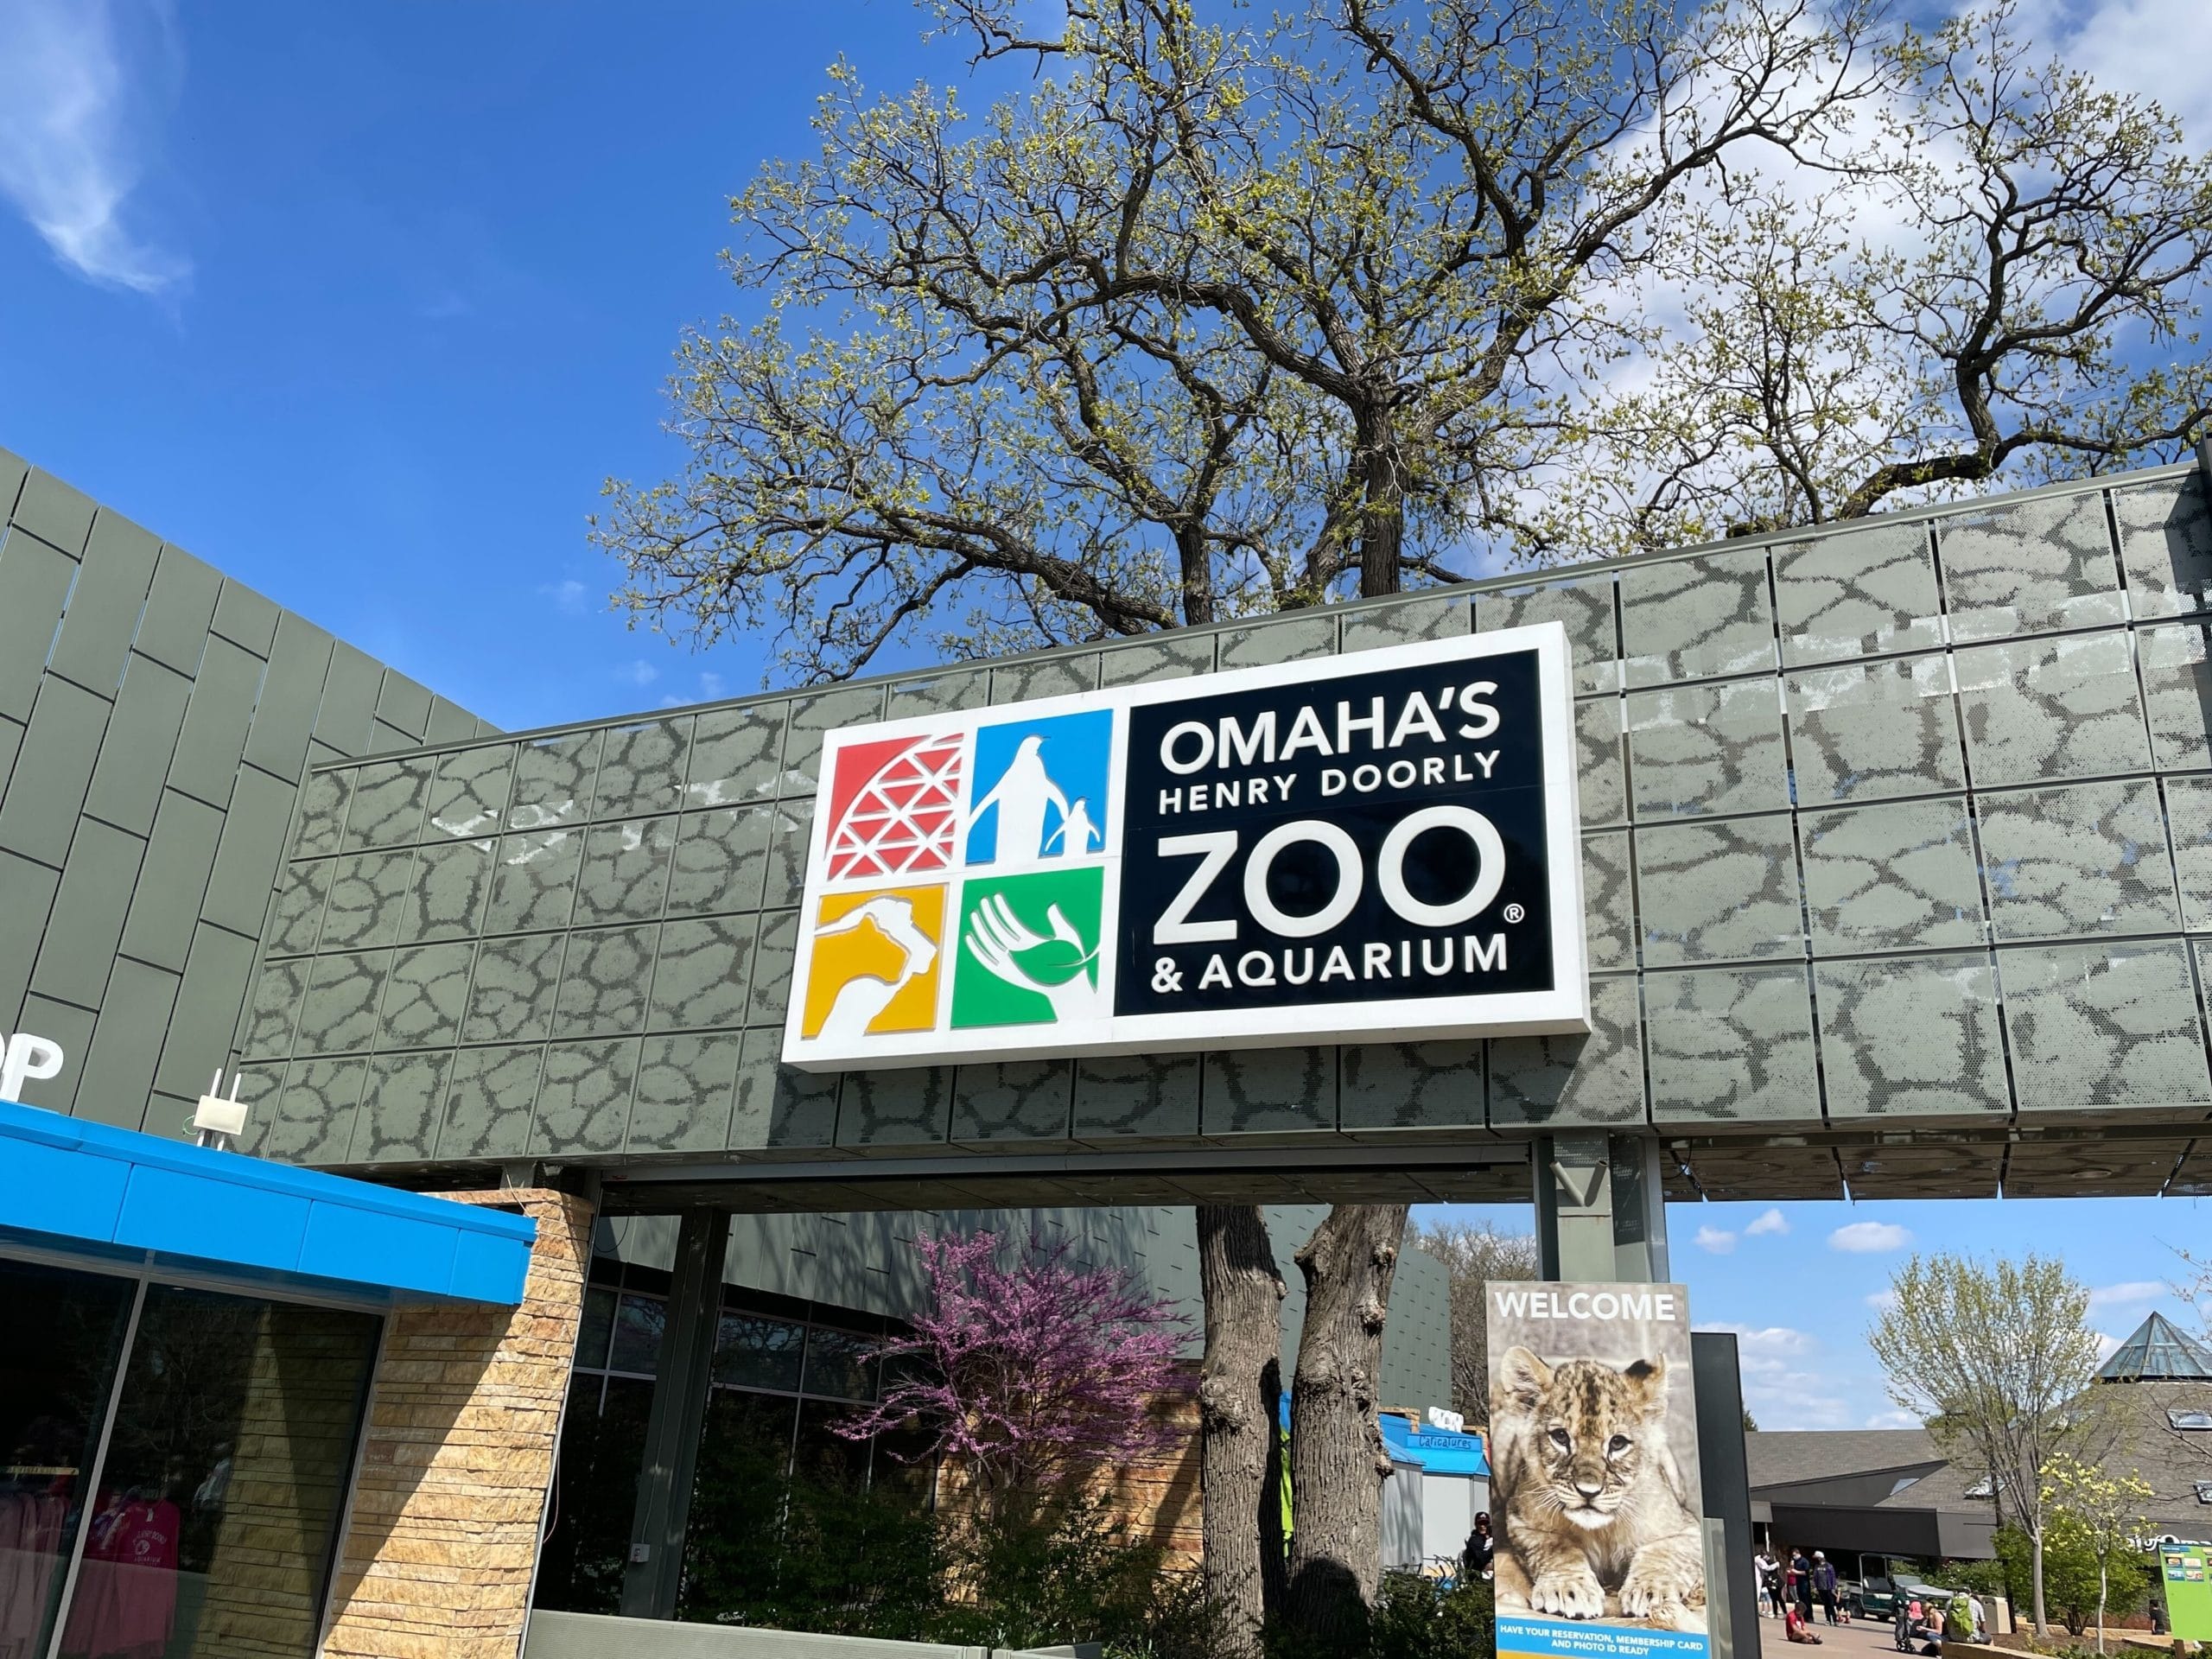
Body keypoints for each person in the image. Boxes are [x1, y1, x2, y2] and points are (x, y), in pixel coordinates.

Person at [1465, 1513, 1494, 1580]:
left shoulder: (1492, 1538)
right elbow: (1481, 1559)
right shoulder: (1474, 1540)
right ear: (1476, 1524)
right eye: (1480, 1523)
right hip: (1478, 1579)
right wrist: (1494, 1548)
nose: (1482, 1526)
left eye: (1485, 1523)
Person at [1756, 1548, 1783, 1618]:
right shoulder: (1759, 1560)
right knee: (1757, 1594)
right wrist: (1776, 1565)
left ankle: (1755, 1611)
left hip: (1759, 1578)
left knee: (1758, 1595)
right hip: (1757, 1579)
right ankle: (1755, 1611)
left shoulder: (1757, 1558)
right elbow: (1767, 1568)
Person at [1815, 1552, 1840, 1624]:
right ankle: (1828, 1620)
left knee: (1831, 1605)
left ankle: (1835, 1620)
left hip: (1828, 1588)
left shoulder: (1829, 1566)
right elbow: (1815, 1577)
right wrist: (1816, 1587)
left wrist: (1833, 1587)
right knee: (1825, 1605)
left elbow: (1833, 1577)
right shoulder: (1817, 1566)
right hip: (1821, 1588)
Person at [1793, 1548, 1815, 1623]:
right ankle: (1803, 1617)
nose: (1793, 1557)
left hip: (1804, 1583)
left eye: (1794, 1555)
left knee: (1806, 1600)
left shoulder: (1804, 1561)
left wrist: (1796, 1572)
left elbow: (1806, 1573)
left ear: (1798, 1553)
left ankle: (1809, 1617)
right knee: (1801, 1601)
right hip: (1798, 1582)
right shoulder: (1796, 1562)